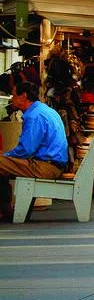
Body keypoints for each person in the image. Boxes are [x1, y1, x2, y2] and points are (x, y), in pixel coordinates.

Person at [0, 82, 69, 220]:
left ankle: (5, 209)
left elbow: (25, 150)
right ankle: (5, 209)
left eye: (14, 95)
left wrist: (6, 157)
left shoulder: (34, 116)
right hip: (52, 164)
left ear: (23, 96)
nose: (12, 99)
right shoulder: (44, 110)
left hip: (46, 167)